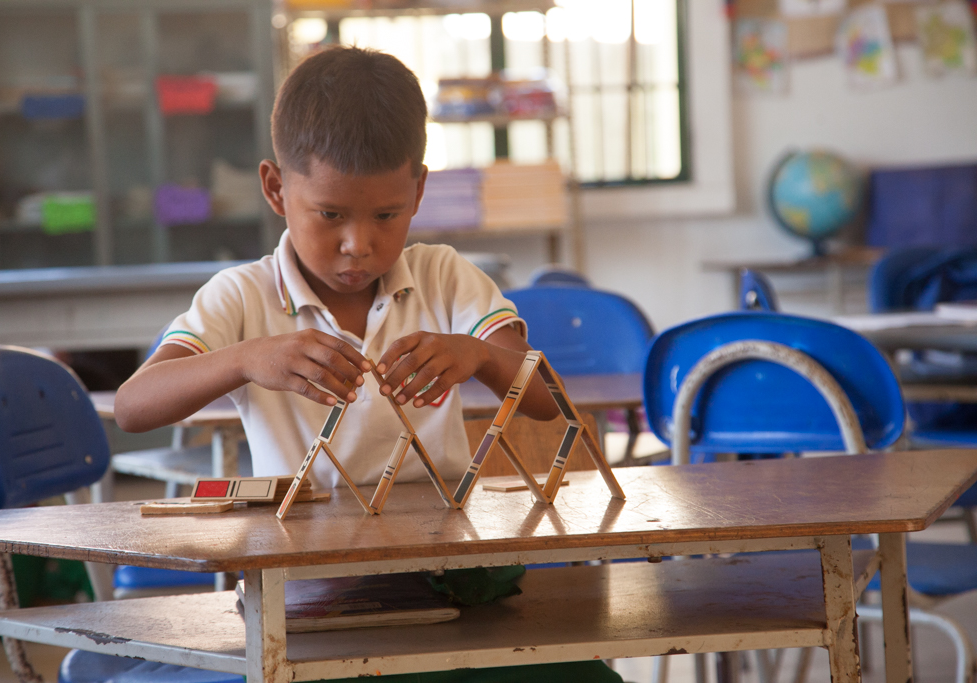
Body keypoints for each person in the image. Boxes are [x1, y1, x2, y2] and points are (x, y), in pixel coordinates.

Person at [116, 46, 623, 683]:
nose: (360, 243)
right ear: (276, 188)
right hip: (302, 589)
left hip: (444, 577)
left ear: (419, 190)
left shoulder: (445, 278)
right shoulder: (241, 298)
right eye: (330, 215)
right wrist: (247, 359)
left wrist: (478, 357)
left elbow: (551, 403)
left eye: (386, 215)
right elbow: (135, 407)